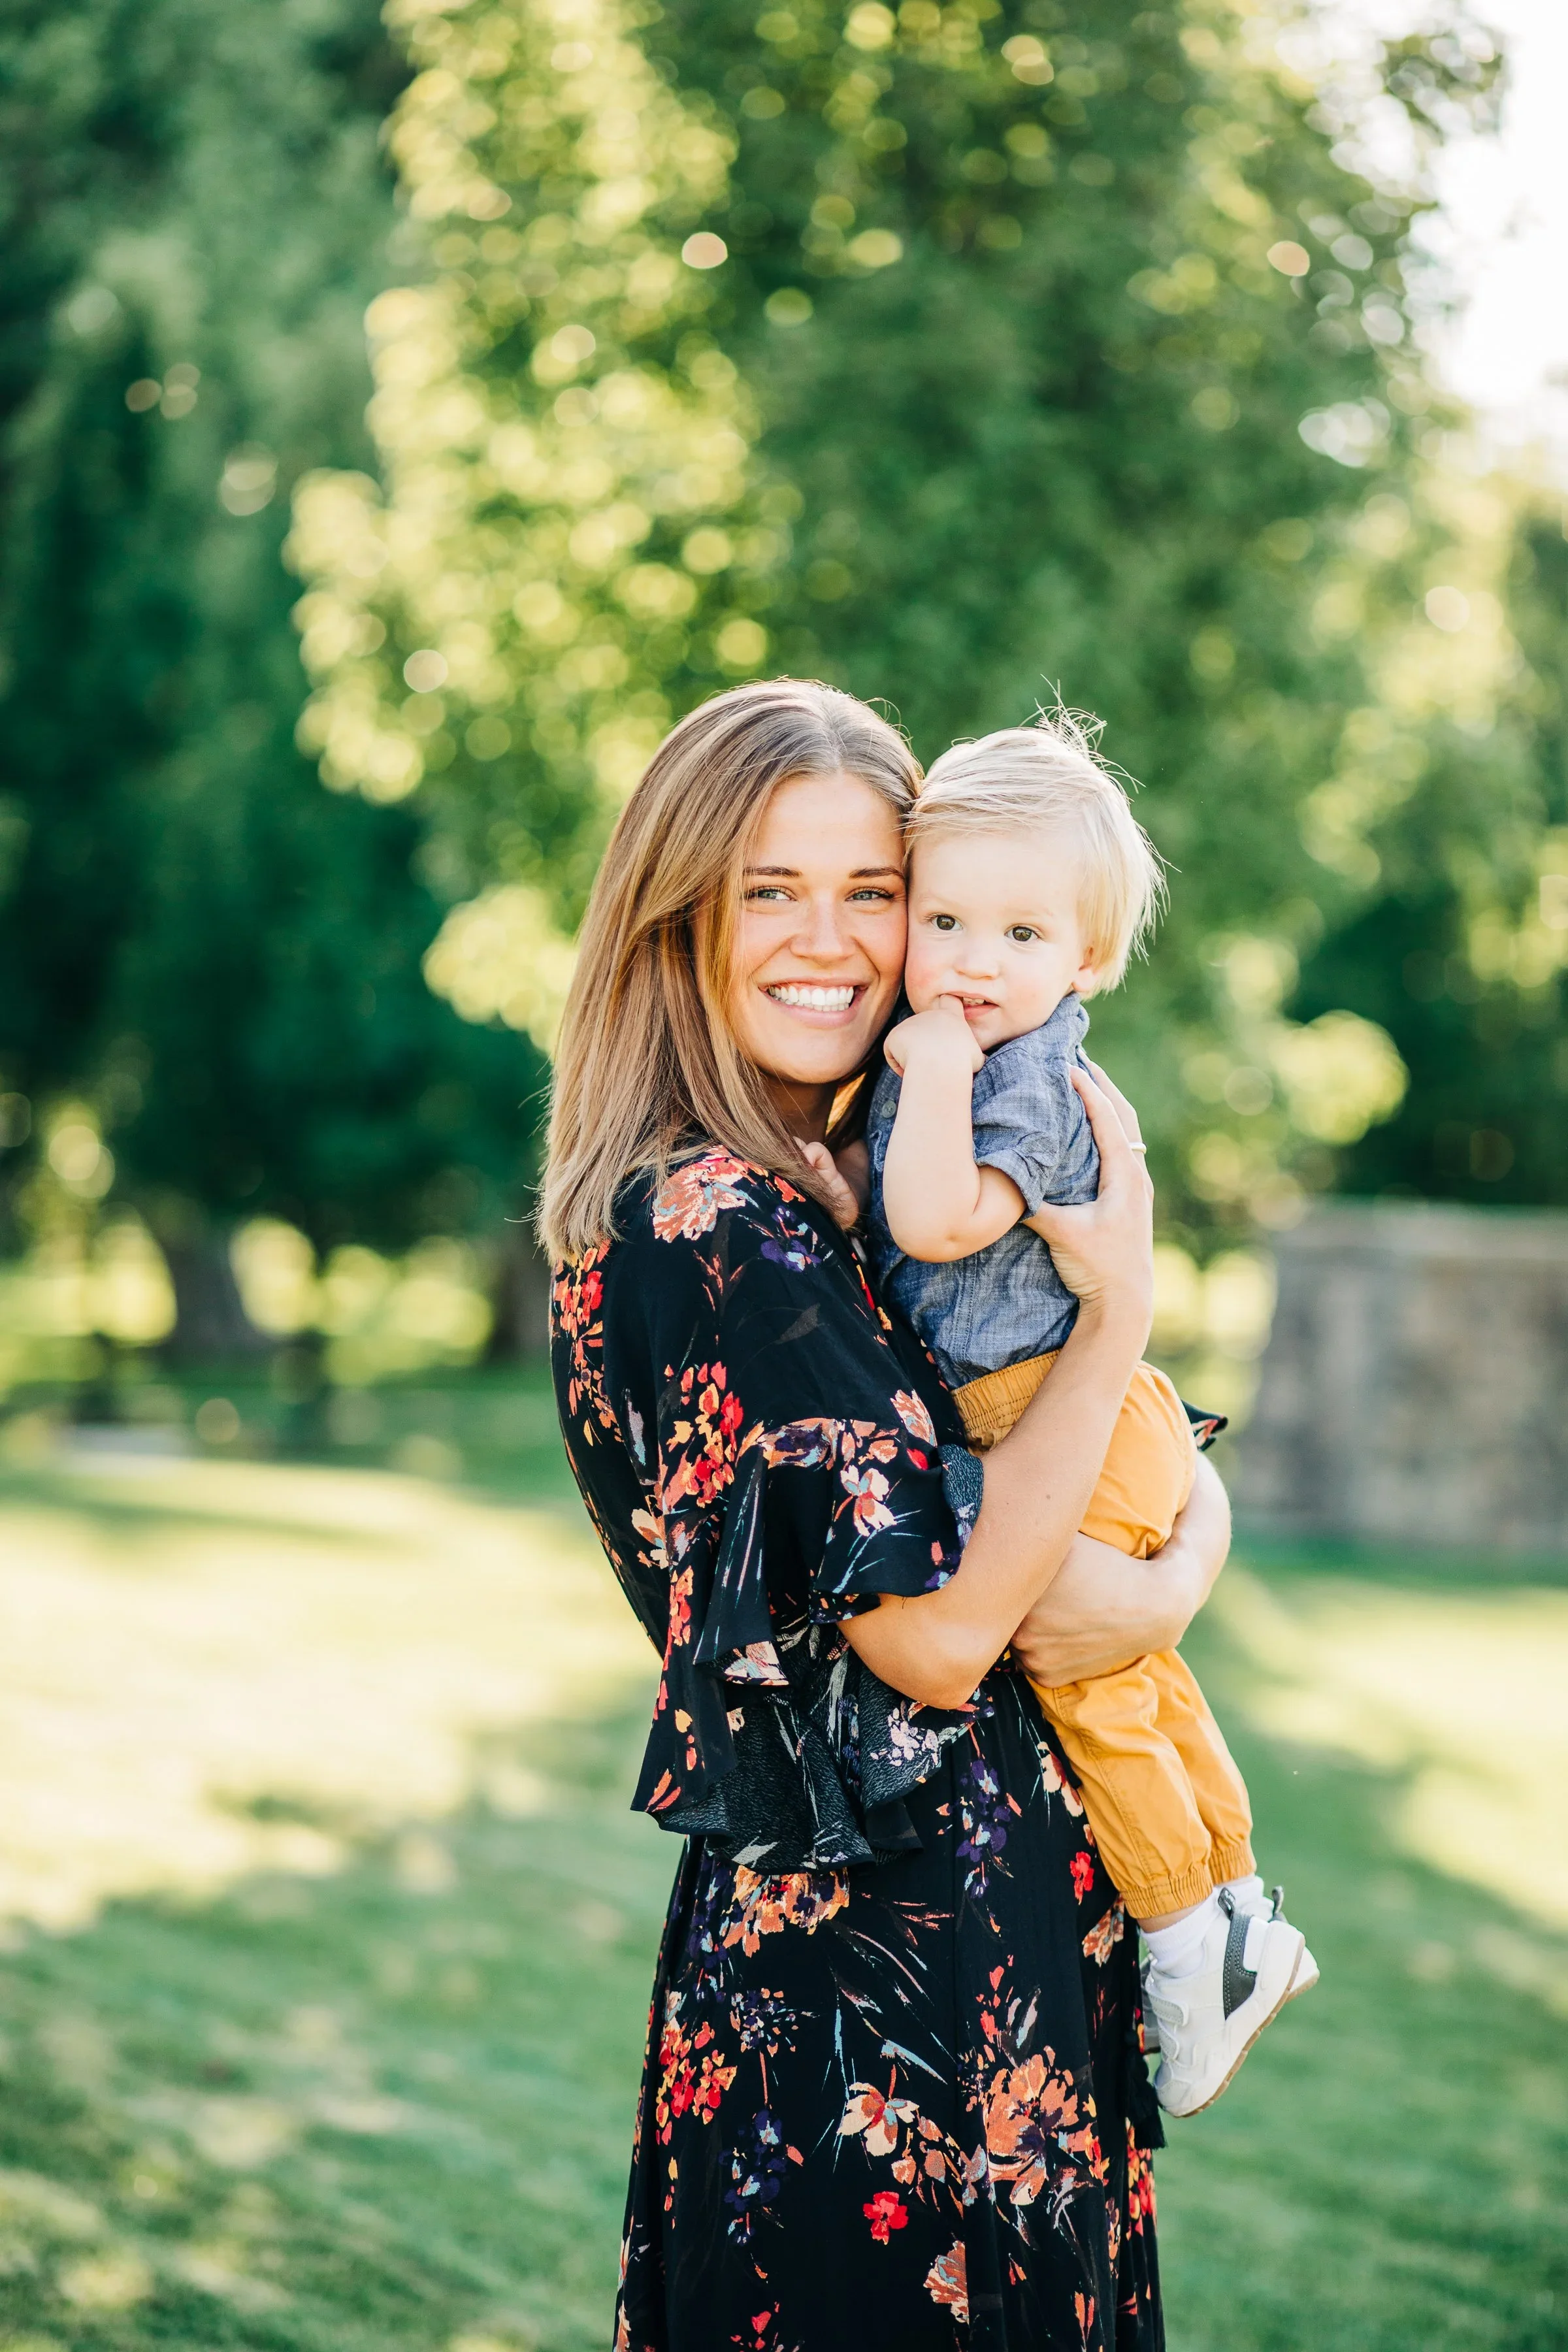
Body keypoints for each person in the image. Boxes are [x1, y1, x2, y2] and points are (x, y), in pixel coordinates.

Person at [542, 679, 1233, 2351]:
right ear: (674, 911)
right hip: (872, 2019)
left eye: (874, 893)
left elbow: (1095, 1500)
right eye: (769, 889)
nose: (834, 942)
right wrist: (1123, 1313)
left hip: (972, 1969)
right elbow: (934, 1640)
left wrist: (1178, 1564)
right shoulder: (717, 1223)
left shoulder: (829, 1195)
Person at [863, 713, 1316, 2122]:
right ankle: (1234, 1900)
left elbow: (940, 1222)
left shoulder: (1017, 1080)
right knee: (1139, 1677)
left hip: (1044, 1405)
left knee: (1089, 1676)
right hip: (1086, 1401)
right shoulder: (985, 1045)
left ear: (1089, 961)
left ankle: (1190, 1933)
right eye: (944, 919)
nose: (973, 963)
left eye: (1020, 934)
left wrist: (929, 1075)